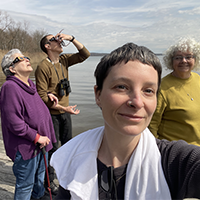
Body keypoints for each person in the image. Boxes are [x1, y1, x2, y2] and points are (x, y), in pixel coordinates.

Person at [50, 43, 200, 200]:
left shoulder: (175, 162)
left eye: (148, 91)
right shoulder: (71, 157)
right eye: (121, 87)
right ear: (98, 95)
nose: (137, 102)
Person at [35, 31, 90, 194]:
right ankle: (49, 185)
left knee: (68, 146)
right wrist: (61, 108)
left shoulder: (64, 60)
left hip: (66, 112)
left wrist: (71, 38)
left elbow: (85, 54)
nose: (59, 41)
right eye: (54, 40)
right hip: (51, 115)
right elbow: (41, 95)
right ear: (47, 46)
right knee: (52, 149)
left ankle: (65, 179)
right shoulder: (43, 67)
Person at [0, 49, 57, 200]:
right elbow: (14, 122)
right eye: (20, 59)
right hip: (27, 147)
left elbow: (34, 108)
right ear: (11, 69)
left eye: (26, 56)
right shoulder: (10, 87)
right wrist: (37, 137)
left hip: (40, 145)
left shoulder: (30, 85)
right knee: (25, 186)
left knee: (38, 185)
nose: (26, 59)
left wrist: (48, 95)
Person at [149, 37, 200, 146]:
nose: (184, 61)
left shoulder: (198, 79)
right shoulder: (162, 88)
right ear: (171, 61)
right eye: (178, 57)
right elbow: (151, 126)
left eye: (188, 57)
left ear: (195, 59)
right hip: (177, 154)